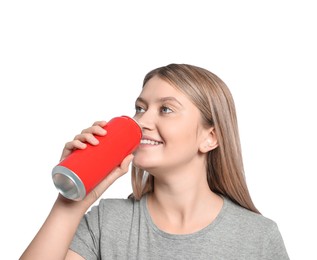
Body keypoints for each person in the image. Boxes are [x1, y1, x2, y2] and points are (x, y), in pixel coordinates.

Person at [20, 63, 289, 259]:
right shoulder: (107, 223)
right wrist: (71, 200)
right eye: (140, 108)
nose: (142, 122)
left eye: (166, 109)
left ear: (211, 137)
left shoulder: (257, 237)